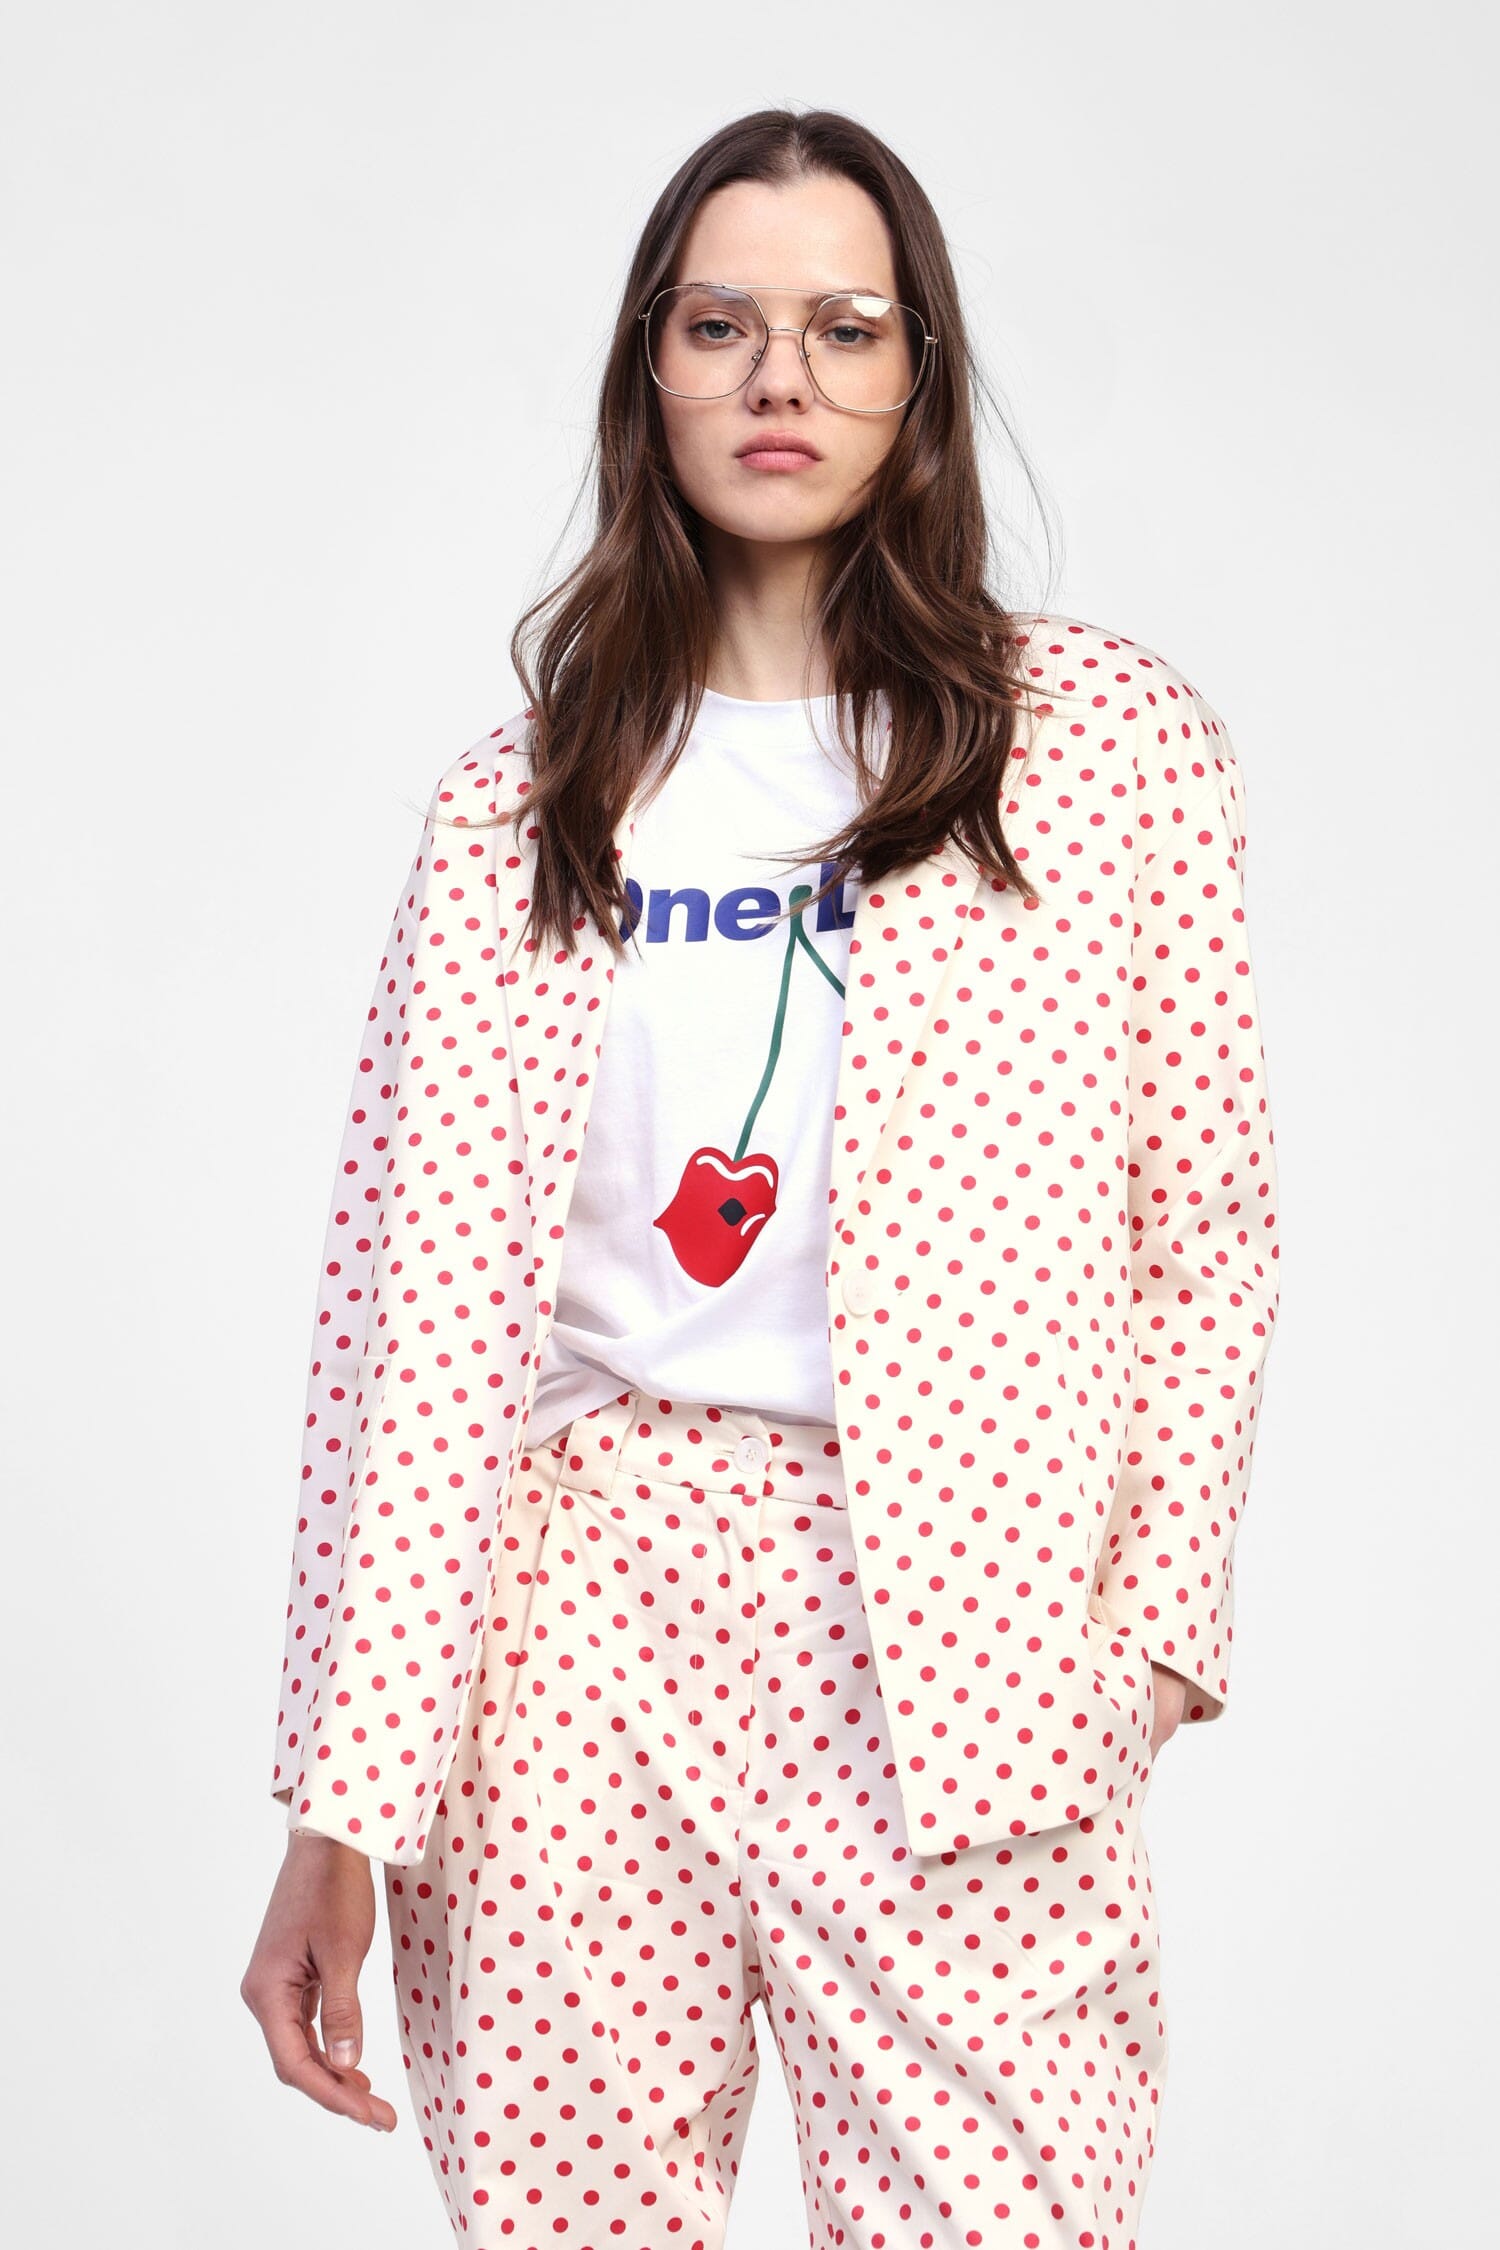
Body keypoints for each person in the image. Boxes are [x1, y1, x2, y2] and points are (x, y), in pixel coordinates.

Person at [242, 105, 1281, 2250]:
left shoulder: (1101, 748)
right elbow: (410, 1332)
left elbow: (1207, 1237)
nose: (779, 377)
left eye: (843, 327)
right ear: (652, 366)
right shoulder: (515, 808)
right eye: (720, 325)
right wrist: (343, 1803)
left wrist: (1146, 1643)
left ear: (920, 377)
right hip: (564, 1633)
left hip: (957, 1626)